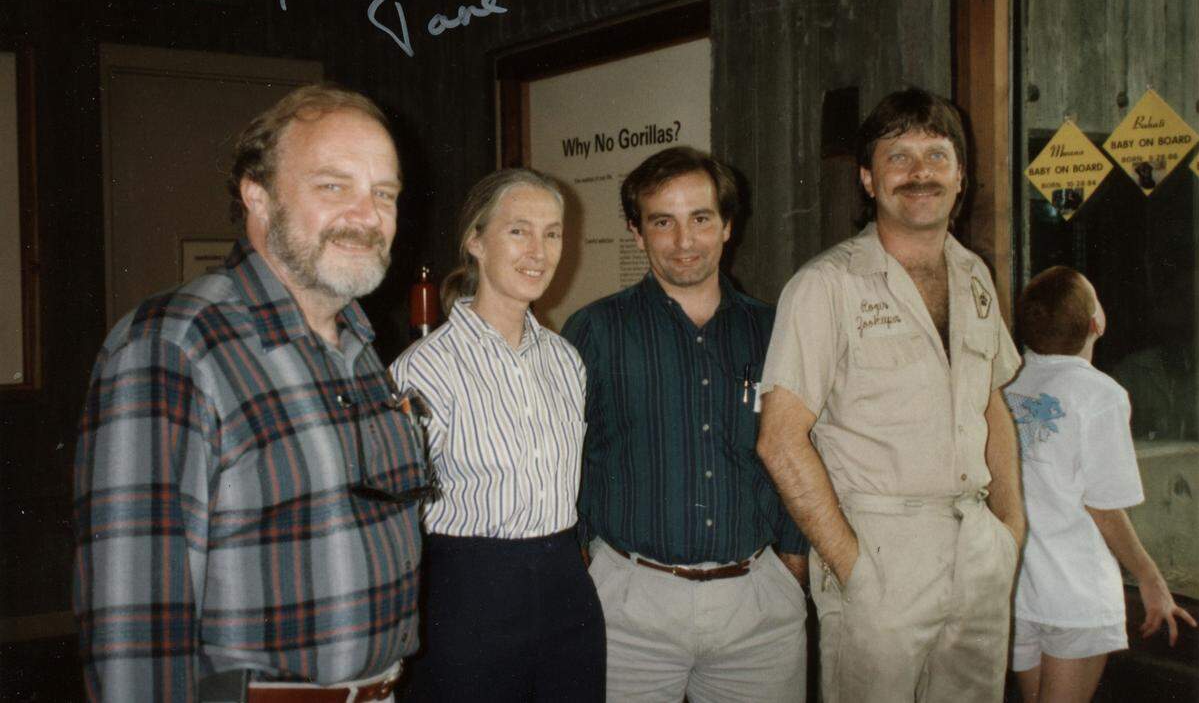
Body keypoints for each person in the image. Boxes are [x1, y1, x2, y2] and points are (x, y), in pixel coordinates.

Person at [73, 84, 428, 702]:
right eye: (332, 186)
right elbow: (135, 624)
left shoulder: (361, 349)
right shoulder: (176, 345)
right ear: (257, 197)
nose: (367, 216)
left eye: (384, 194)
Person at [757, 87, 1025, 703]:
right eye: (898, 155)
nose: (919, 172)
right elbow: (779, 438)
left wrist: (1010, 528)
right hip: (880, 550)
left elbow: (992, 407)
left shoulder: (974, 276)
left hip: (977, 547)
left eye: (937, 154)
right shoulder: (826, 286)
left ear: (961, 177)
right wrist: (852, 566)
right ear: (868, 180)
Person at [562, 146, 809, 703]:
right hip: (628, 611)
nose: (684, 241)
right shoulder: (595, 331)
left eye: (701, 219)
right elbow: (564, 460)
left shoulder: (776, 331)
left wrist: (790, 566)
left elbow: (803, 448)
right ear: (636, 232)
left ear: (727, 226)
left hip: (757, 610)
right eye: (662, 222)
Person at [389, 168, 604, 702]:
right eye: (519, 231)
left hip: (566, 591)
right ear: (475, 241)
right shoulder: (423, 370)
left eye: (552, 233)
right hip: (467, 598)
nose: (539, 250)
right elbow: (395, 521)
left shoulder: (565, 360)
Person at [1004, 266, 1196, 703]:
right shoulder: (1100, 394)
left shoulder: (1009, 384)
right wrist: (1151, 578)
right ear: (1097, 323)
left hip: (1020, 594)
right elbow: (1105, 507)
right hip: (1075, 597)